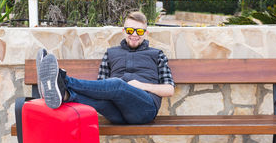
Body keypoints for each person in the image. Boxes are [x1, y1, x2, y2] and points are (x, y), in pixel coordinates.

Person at [36, 11, 175, 124]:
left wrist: (141, 86)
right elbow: (101, 87)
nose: (134, 34)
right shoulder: (111, 53)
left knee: (117, 84)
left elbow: (169, 89)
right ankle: (63, 94)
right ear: (123, 31)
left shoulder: (157, 54)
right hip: (116, 113)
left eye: (139, 31)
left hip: (144, 109)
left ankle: (62, 80)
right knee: (101, 99)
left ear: (145, 33)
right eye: (130, 30)